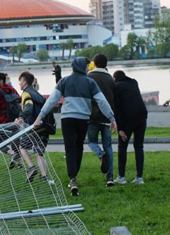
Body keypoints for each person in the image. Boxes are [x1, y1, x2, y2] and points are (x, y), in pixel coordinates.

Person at [36, 57, 117, 196]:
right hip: (82, 120)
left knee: (70, 148)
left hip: (67, 118)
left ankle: (72, 178)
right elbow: (102, 101)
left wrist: (40, 117)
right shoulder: (90, 82)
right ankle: (74, 176)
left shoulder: (64, 81)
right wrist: (111, 118)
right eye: (86, 66)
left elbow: (52, 100)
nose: (87, 68)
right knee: (79, 146)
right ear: (82, 67)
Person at [15, 71, 52, 183]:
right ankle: (44, 176)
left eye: (20, 82)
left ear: (25, 83)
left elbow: (28, 107)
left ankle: (31, 168)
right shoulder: (37, 94)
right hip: (44, 126)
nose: (19, 84)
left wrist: (21, 117)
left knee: (22, 147)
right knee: (38, 152)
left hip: (33, 127)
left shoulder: (26, 93)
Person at [113, 70, 148, 185]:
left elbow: (117, 109)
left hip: (127, 118)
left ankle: (121, 177)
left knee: (122, 147)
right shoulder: (134, 83)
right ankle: (139, 178)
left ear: (115, 78)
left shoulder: (116, 87)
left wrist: (120, 129)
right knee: (139, 147)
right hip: (142, 116)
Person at [86, 54, 116, 185]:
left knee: (91, 141)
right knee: (108, 146)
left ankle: (100, 154)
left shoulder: (89, 77)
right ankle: (110, 178)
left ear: (95, 64)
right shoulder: (110, 78)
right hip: (107, 117)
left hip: (92, 116)